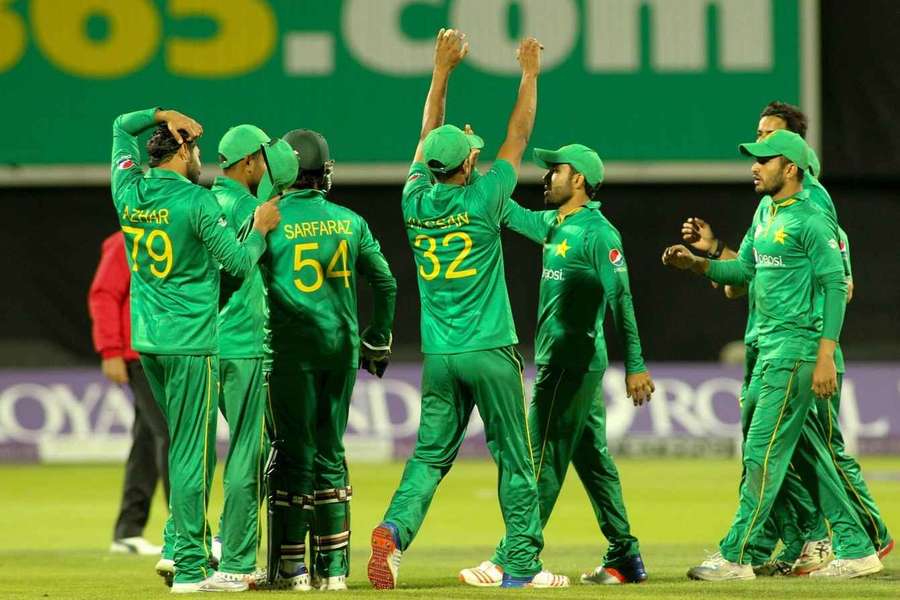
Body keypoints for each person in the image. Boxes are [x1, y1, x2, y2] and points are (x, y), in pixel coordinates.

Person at [367, 29, 567, 590]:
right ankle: (523, 565)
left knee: (429, 458)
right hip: (490, 350)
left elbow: (427, 134)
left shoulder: (412, 199)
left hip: (440, 355)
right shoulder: (486, 196)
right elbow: (519, 133)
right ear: (463, 168)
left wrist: (441, 70)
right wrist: (528, 72)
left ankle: (393, 531)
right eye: (471, 155)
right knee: (514, 460)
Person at [679, 101, 892, 573]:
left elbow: (840, 283)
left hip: (799, 346)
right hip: (766, 345)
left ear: (793, 161)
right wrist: (702, 261)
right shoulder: (767, 211)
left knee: (773, 451)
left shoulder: (814, 211)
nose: (754, 164)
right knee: (801, 452)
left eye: (765, 151)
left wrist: (824, 353)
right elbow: (745, 272)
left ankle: (749, 552)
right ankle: (846, 545)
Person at [459, 143, 654, 587]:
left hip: (571, 365)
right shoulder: (554, 225)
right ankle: (624, 555)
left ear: (579, 179)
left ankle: (512, 558)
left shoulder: (598, 234)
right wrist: (467, 174)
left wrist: (637, 365)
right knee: (593, 462)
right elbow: (505, 212)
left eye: (556, 170)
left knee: (537, 460)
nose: (546, 177)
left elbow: (621, 300)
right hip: (562, 363)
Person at [110, 106, 281, 593]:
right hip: (190, 344)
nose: (201, 159)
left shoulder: (128, 188)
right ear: (182, 150)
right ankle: (188, 565)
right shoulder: (198, 203)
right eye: (196, 150)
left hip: (148, 344)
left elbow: (122, 127)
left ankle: (180, 548)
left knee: (185, 447)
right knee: (190, 453)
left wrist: (160, 114)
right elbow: (238, 265)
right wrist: (261, 232)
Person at [261, 129, 396, 592]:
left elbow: (239, 271)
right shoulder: (350, 221)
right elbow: (386, 284)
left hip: (287, 352)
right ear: (323, 173)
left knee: (292, 454)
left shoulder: (267, 221)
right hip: (340, 351)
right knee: (330, 453)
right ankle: (334, 572)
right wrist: (377, 341)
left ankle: (290, 570)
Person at [207, 124, 274, 584]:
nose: (269, 168)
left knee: (193, 453)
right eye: (265, 160)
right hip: (246, 345)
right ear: (249, 162)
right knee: (250, 453)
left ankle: (184, 546)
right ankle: (235, 560)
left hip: (203, 345)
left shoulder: (202, 203)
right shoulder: (256, 210)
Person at [89, 231, 170, 557]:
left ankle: (128, 530)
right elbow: (104, 294)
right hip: (138, 353)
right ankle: (186, 531)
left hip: (166, 350)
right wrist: (110, 350)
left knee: (148, 438)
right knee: (171, 434)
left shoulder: (168, 233)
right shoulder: (126, 241)